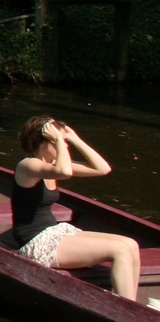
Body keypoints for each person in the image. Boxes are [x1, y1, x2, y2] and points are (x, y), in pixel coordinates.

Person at [13, 116, 148, 302]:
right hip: (36, 241)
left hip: (53, 231)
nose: (65, 147)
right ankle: (128, 310)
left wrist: (74, 138)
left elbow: (102, 169)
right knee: (119, 251)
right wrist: (60, 140)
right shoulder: (28, 165)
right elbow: (65, 172)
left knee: (130, 244)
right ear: (43, 143)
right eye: (58, 142)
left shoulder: (52, 166)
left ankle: (133, 306)